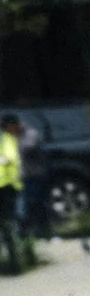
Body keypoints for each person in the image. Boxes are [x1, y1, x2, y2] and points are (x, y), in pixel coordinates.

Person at [0, 114, 29, 273]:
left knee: (9, 222)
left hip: (8, 186)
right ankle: (15, 261)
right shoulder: (6, 139)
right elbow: (10, 158)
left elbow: (10, 158)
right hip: (6, 186)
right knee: (9, 222)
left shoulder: (6, 139)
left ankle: (15, 260)